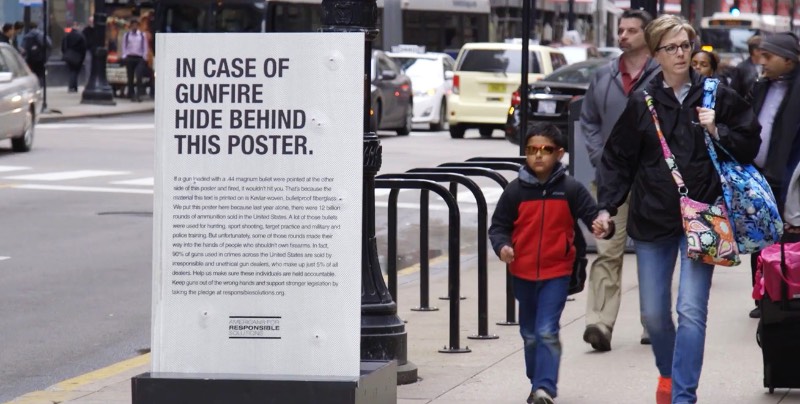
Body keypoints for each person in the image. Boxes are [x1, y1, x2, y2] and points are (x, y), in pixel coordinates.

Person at [593, 15, 760, 404]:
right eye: (671, 47)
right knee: (654, 315)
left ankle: (684, 396)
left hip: (702, 217)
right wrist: (606, 207)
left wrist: (719, 130)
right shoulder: (642, 101)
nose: (681, 53)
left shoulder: (716, 94)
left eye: (686, 45)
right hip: (653, 218)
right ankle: (669, 373)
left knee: (691, 310)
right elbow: (617, 159)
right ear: (656, 54)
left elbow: (750, 141)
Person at [489, 122, 613, 404]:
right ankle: (536, 382)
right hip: (521, 274)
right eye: (532, 150)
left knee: (546, 330)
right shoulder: (515, 192)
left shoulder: (570, 189)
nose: (538, 156)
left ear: (559, 153)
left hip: (557, 272)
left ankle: (544, 387)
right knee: (530, 334)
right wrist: (503, 246)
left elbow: (594, 216)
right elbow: (498, 227)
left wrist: (602, 226)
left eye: (545, 150)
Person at [579, 8, 659, 352]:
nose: (622, 36)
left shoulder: (662, 73)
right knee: (607, 250)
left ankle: (652, 323)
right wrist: (602, 157)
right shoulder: (603, 75)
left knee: (652, 252)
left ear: (648, 35)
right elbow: (590, 121)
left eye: (631, 30)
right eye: (620, 30)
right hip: (611, 181)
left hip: (654, 182)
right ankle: (599, 323)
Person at [747, 32, 800, 318]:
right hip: (760, 178)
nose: (761, 61)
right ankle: (763, 295)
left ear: (788, 60)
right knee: (761, 239)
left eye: (768, 56)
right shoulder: (761, 87)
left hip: (790, 180)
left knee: (789, 242)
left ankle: (787, 295)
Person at [121, 18, 148, 101]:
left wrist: (144, 57)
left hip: (139, 58)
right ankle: (131, 94)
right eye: (133, 25)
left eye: (136, 25)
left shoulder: (142, 36)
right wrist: (125, 55)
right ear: (131, 26)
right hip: (130, 57)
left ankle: (138, 94)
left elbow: (145, 46)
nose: (134, 26)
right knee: (130, 77)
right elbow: (124, 46)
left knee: (139, 76)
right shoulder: (127, 35)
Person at [22, 22, 51, 87]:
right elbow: (49, 44)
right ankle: (41, 85)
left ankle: (34, 86)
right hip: (40, 58)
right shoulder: (41, 34)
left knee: (32, 73)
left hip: (30, 59)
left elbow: (23, 48)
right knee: (41, 73)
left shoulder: (27, 36)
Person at [61, 22, 86, 92]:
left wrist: (65, 53)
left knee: (72, 71)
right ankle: (72, 86)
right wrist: (82, 57)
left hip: (69, 56)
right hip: (78, 56)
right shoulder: (81, 36)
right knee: (75, 72)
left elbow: (63, 46)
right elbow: (83, 47)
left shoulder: (67, 36)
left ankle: (73, 86)